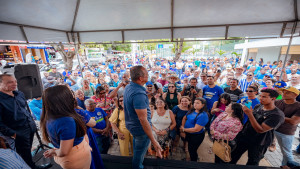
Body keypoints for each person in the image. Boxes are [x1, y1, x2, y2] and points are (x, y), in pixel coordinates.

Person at [0, 74, 50, 169]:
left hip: (29, 126)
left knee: (27, 151)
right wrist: (12, 133)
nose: (14, 84)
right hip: (17, 131)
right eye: (10, 82)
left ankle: (31, 165)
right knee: (23, 154)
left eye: (15, 81)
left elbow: (24, 109)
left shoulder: (19, 94)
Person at [230, 89, 285, 166]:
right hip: (245, 136)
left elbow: (261, 130)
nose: (260, 98)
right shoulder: (259, 106)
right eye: (260, 96)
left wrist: (250, 114)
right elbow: (251, 121)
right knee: (232, 156)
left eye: (264, 97)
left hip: (259, 142)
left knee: (252, 162)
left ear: (273, 98)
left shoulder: (277, 115)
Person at [41, 85, 91, 169]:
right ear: (64, 100)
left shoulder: (48, 115)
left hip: (66, 157)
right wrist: (54, 151)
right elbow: (64, 151)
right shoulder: (66, 121)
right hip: (75, 157)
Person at [123, 66, 162, 169]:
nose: (148, 77)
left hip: (132, 126)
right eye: (146, 75)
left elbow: (140, 98)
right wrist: (154, 141)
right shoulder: (138, 93)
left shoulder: (129, 87)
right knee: (139, 155)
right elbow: (143, 119)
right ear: (140, 78)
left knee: (137, 149)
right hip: (141, 129)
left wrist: (153, 94)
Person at [274, 87, 300, 166]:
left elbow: (293, 121)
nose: (284, 94)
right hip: (272, 128)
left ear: (295, 95)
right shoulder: (278, 101)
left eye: (287, 93)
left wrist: (275, 115)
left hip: (286, 132)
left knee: (286, 153)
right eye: (283, 92)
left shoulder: (298, 106)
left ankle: (288, 166)